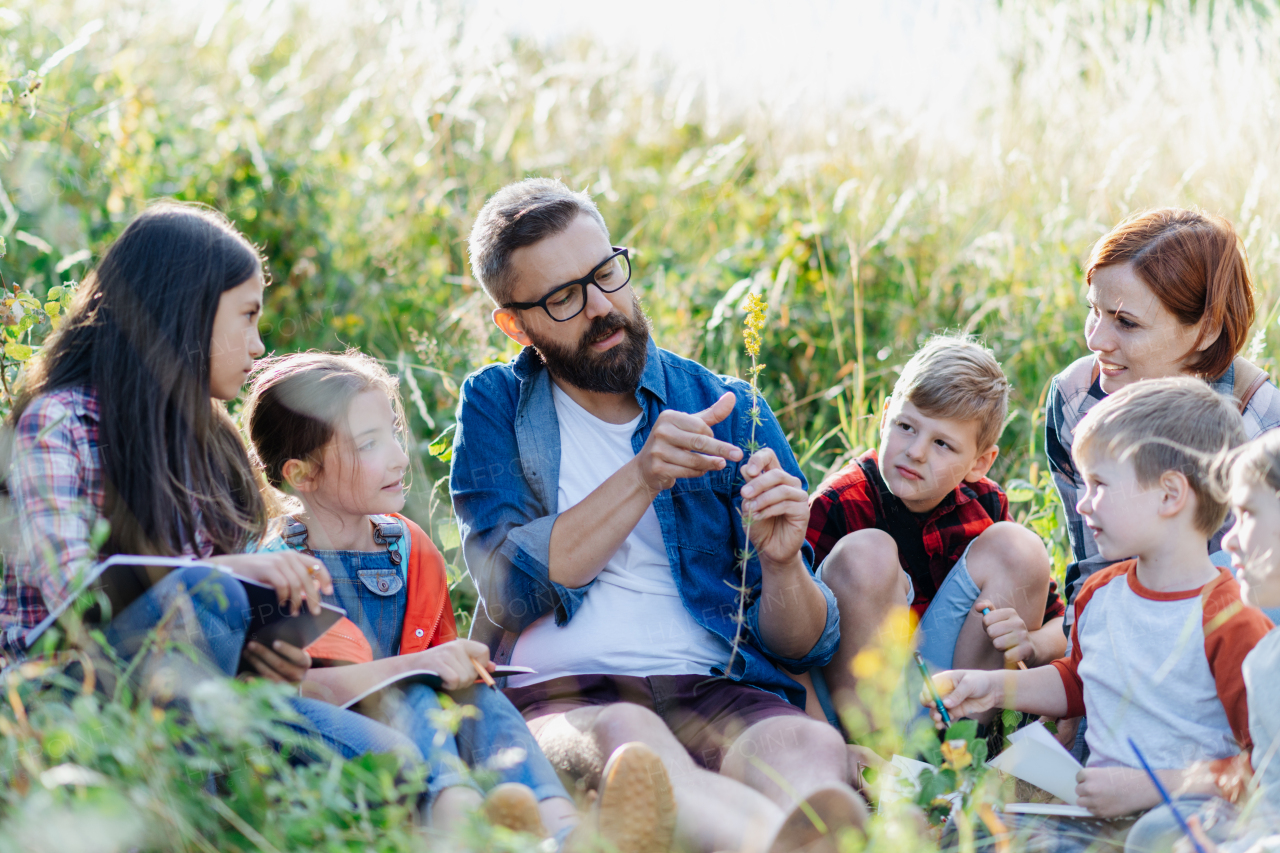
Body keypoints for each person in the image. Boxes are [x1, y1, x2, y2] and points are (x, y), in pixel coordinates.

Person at [451, 177, 865, 853]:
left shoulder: (724, 401)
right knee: (629, 741)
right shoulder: (496, 405)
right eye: (564, 297)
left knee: (805, 740)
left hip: (713, 686)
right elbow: (511, 589)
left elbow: (803, 645)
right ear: (515, 324)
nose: (603, 306)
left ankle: (808, 833)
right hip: (566, 694)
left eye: (606, 272)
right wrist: (642, 475)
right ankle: (787, 844)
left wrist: (782, 560)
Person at [1, 202, 422, 779]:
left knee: (391, 761)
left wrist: (266, 655)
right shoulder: (58, 424)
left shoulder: (210, 446)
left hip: (204, 694)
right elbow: (79, 600)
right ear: (187, 310)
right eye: (246, 316)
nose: (257, 345)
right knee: (211, 593)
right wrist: (229, 578)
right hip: (64, 696)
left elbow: (211, 629)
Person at [242, 349, 666, 850]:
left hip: (422, 738)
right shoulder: (275, 571)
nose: (400, 457)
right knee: (416, 694)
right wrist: (418, 670)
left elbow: (438, 664)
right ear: (303, 474)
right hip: (330, 751)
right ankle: (460, 831)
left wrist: (457, 664)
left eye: (393, 435)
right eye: (369, 444)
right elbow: (291, 698)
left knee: (476, 695)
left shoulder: (409, 549)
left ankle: (561, 831)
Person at [928, 378, 1273, 852]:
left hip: (1184, 813)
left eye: (1100, 485)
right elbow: (1082, 682)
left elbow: (1263, 767)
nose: (1083, 503)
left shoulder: (1231, 619)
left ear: (1170, 495)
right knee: (977, 817)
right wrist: (991, 685)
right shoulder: (1101, 593)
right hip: (1095, 801)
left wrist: (1150, 786)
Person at [802, 336, 1063, 730]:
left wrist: (1033, 643)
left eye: (942, 443)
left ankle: (960, 748)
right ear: (886, 415)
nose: (917, 451)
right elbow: (785, 640)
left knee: (1019, 546)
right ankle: (877, 758)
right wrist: (823, 734)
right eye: (906, 427)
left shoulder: (985, 505)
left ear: (980, 462)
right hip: (857, 701)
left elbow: (1061, 624)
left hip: (940, 693)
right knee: (866, 553)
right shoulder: (839, 502)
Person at [1138, 432, 1280, 853]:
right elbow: (1272, 800)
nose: (1229, 540)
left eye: (1248, 514)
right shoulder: (1267, 660)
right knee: (1155, 834)